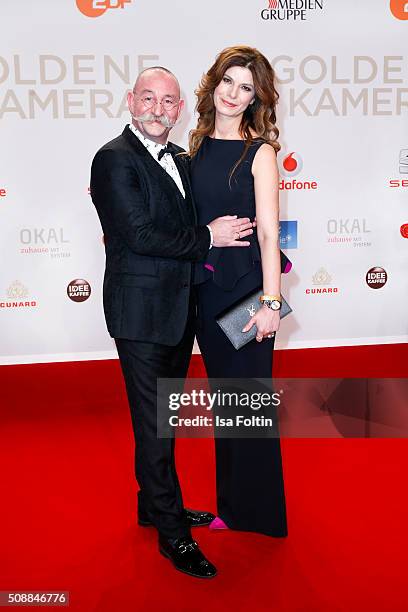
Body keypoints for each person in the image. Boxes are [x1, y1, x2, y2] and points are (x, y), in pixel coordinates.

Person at [90, 66, 255, 578]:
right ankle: (172, 534)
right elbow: (140, 235)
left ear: (180, 109)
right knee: (153, 429)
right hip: (139, 315)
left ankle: (153, 505)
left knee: (165, 419)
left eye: (168, 101)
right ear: (130, 101)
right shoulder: (113, 160)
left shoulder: (181, 159)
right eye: (149, 98)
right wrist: (209, 238)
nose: (158, 108)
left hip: (180, 310)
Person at [190, 46, 288, 537]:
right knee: (224, 401)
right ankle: (232, 504)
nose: (233, 93)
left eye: (245, 87)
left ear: (256, 98)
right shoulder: (196, 146)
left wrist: (272, 304)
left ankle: (261, 513)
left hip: (248, 292)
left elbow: (271, 235)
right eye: (228, 81)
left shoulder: (260, 152)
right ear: (214, 84)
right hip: (208, 290)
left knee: (249, 404)